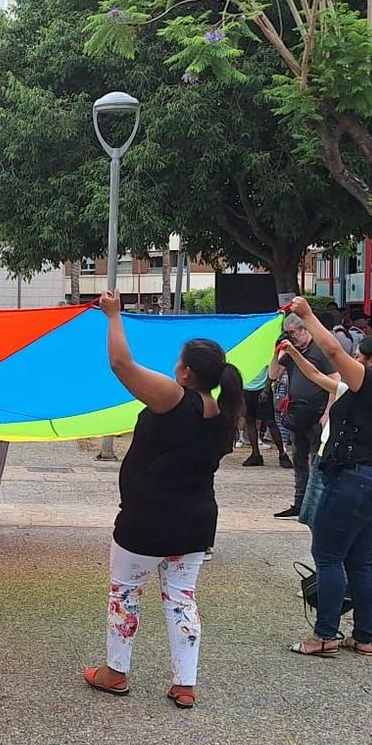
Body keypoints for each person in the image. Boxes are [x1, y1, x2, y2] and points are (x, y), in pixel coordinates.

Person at [81, 291, 242, 709]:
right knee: (181, 597)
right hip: (195, 522)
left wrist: (113, 316)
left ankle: (116, 672)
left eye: (179, 362)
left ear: (186, 373)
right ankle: (184, 683)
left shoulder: (174, 399)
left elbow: (121, 365)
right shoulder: (222, 415)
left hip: (146, 521)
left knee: (126, 592)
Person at [286, 298, 372, 657]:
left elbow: (333, 351)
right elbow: (318, 376)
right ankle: (364, 637)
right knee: (359, 560)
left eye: (360, 358)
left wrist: (306, 315)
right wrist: (293, 353)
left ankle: (325, 635)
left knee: (327, 556)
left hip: (359, 481)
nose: (352, 361)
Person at [267, 315, 331, 519]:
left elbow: (335, 382)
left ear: (304, 329)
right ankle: (300, 501)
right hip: (297, 414)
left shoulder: (319, 351)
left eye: (293, 333)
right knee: (299, 459)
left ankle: (316, 503)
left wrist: (328, 412)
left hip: (317, 414)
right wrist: (276, 351)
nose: (291, 337)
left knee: (316, 460)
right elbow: (273, 374)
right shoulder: (293, 353)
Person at [238, 368, 291, 469]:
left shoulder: (264, 353)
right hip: (246, 389)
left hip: (262, 389)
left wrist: (266, 389)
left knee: (270, 422)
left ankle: (282, 454)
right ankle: (255, 454)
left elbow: (271, 371)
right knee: (249, 421)